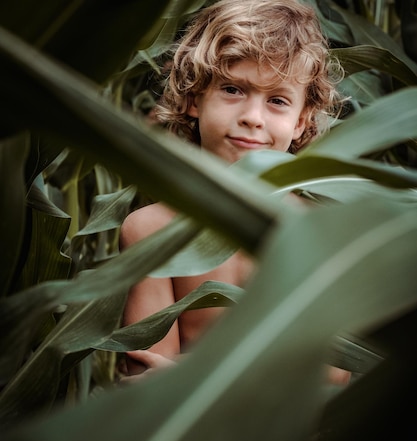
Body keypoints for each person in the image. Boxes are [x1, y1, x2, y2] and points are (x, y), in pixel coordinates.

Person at [120, 0, 349, 383]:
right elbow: (142, 379)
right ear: (194, 99)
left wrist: (190, 378)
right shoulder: (150, 229)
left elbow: (335, 374)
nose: (252, 117)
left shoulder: (320, 232)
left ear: (301, 121)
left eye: (277, 100)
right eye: (232, 89)